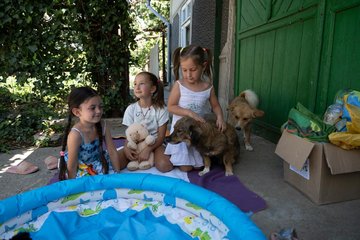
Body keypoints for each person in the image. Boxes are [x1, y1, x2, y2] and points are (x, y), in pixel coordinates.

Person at [165, 44, 226, 172]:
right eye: (184, 70)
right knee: (186, 168)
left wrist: (220, 117)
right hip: (181, 133)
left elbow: (215, 106)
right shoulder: (179, 85)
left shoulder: (207, 87)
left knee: (199, 165)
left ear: (203, 66)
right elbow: (170, 107)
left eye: (192, 69)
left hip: (197, 133)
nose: (188, 75)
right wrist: (189, 112)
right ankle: (168, 147)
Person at [58, 86, 121, 180]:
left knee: (123, 157)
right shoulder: (75, 134)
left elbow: (112, 151)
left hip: (97, 160)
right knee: (93, 181)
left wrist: (118, 173)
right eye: (92, 108)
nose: (98, 111)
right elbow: (72, 164)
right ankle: (53, 161)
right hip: (81, 165)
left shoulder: (103, 125)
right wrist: (72, 185)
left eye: (100, 107)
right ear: (77, 112)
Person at [118, 71, 173, 172]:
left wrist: (148, 149)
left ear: (152, 89)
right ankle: (138, 159)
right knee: (115, 162)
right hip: (135, 144)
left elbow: (161, 137)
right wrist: (126, 148)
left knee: (165, 165)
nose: (137, 87)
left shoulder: (161, 109)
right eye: (135, 84)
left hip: (155, 144)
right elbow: (129, 134)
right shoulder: (131, 109)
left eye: (141, 84)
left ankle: (151, 158)